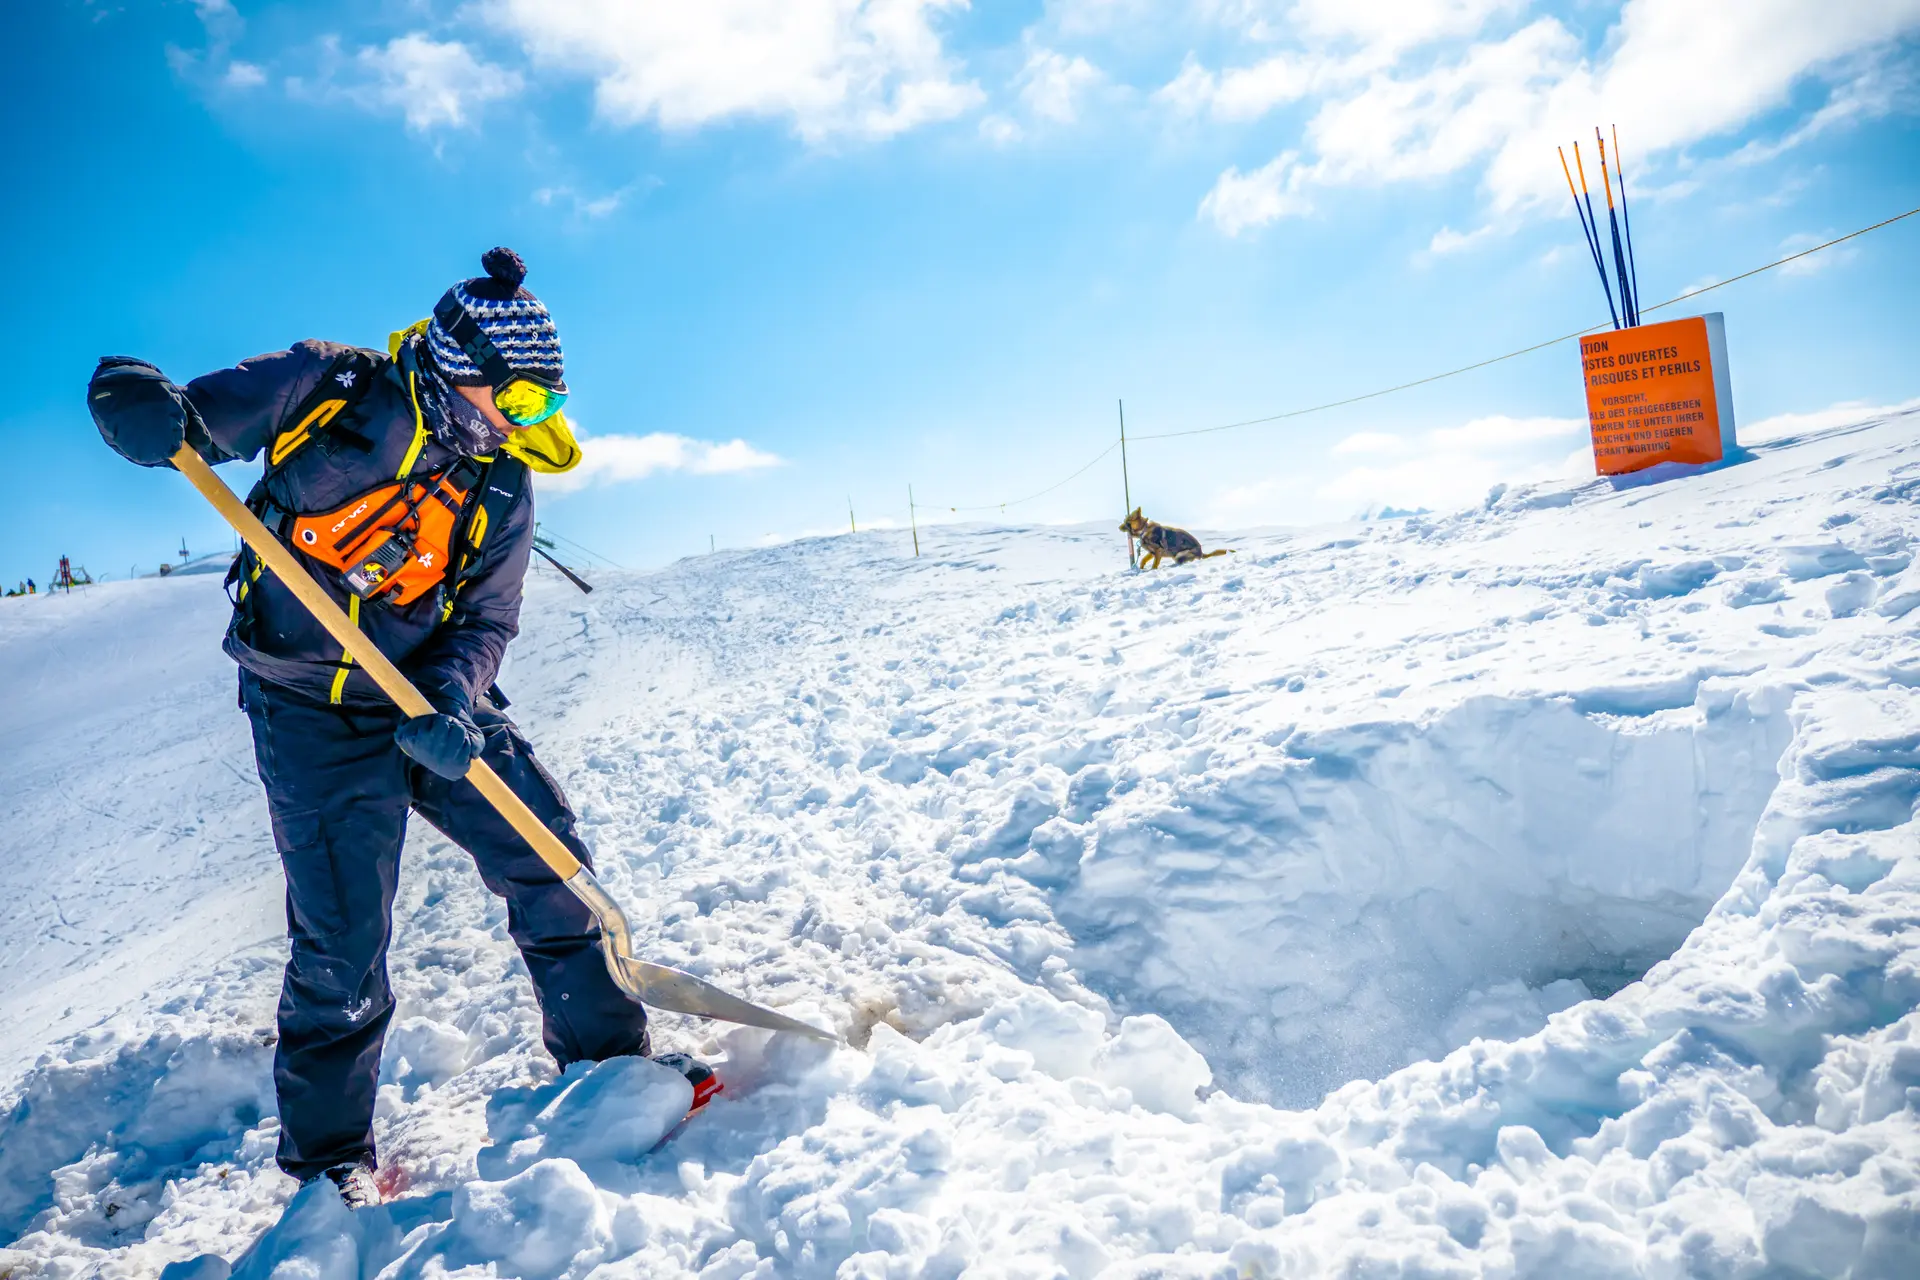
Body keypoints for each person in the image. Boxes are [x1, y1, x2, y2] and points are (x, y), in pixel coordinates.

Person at [86, 249, 656, 1209]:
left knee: (547, 859)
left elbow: (487, 622)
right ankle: (327, 1165)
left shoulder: (503, 488)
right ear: (452, 361)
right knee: (342, 940)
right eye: (510, 401)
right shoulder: (331, 385)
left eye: (535, 411)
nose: (518, 425)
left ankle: (605, 1061)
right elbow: (192, 422)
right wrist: (143, 409)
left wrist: (455, 704)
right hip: (307, 708)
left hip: (427, 704)